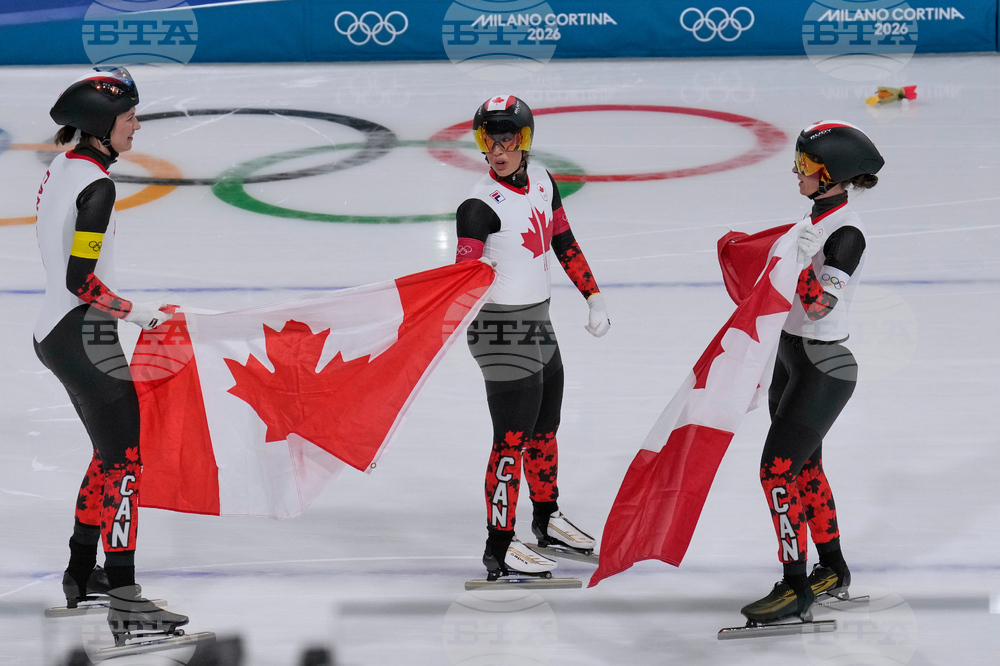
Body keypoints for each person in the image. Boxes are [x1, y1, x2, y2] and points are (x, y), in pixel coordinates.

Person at [34, 66, 187, 642]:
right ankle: (125, 598)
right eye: (129, 119)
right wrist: (142, 313)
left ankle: (83, 575)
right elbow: (83, 281)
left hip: (59, 332)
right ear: (100, 127)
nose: (136, 128)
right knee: (125, 463)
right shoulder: (97, 186)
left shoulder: (66, 166)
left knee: (108, 453)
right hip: (84, 333)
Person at [454, 95, 611, 579]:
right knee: (512, 440)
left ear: (525, 141)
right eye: (488, 140)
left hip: (538, 321)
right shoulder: (478, 207)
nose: (498, 150)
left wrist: (593, 295)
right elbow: (457, 281)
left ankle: (546, 518)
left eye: (508, 139)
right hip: (500, 330)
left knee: (545, 428)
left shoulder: (543, 181)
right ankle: (498, 545)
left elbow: (563, 239)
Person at [741, 120, 884, 624]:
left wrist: (800, 269)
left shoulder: (846, 233)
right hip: (791, 357)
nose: (796, 171)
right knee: (804, 470)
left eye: (805, 165)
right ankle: (834, 568)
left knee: (776, 471)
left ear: (832, 174)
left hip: (824, 365)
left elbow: (820, 305)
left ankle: (796, 584)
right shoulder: (818, 217)